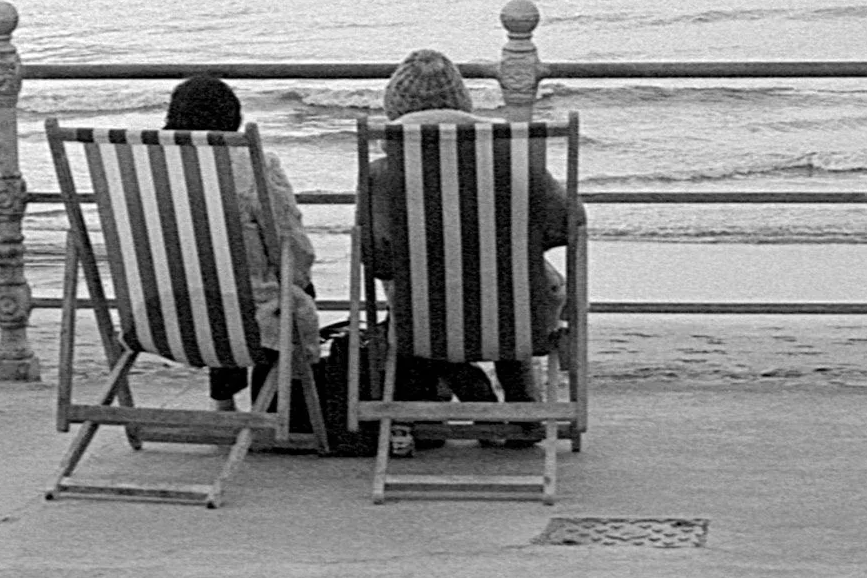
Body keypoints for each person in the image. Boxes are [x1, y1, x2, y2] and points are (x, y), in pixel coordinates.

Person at [361, 49, 578, 450]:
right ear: (462, 103)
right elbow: (568, 224)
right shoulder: (513, 158)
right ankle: (521, 412)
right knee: (507, 283)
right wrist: (510, 243)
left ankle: (459, 386)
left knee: (427, 294)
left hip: (422, 321)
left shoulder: (382, 174)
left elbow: (375, 258)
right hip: (519, 315)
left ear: (395, 110)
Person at [160, 75, 320, 415]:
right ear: (234, 122)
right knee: (278, 292)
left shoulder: (147, 171)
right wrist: (301, 277)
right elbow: (290, 246)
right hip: (246, 322)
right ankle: (275, 408)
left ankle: (225, 402)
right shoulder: (252, 167)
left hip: (164, 315)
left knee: (213, 282)